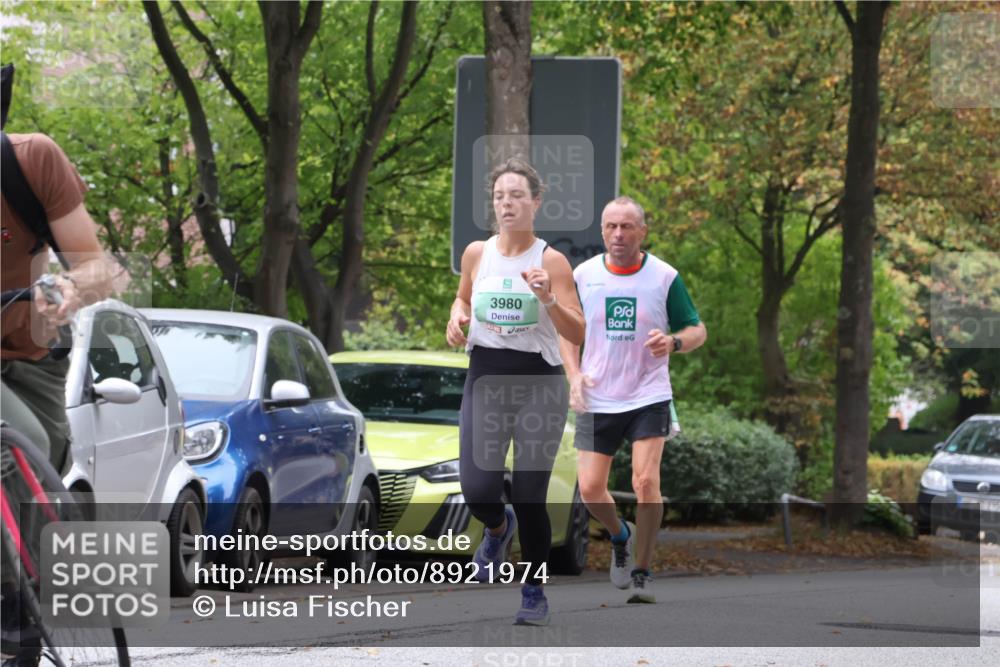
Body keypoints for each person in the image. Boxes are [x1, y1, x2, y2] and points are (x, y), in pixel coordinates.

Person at [446, 158, 584, 626]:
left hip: (538, 384)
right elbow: (464, 296)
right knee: (477, 488)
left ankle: (534, 588)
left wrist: (547, 298)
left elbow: (579, 331)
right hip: (486, 375)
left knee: (530, 494)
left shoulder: (551, 261)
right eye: (500, 196)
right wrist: (456, 315)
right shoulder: (476, 253)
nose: (507, 203)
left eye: (517, 196)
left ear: (536, 202)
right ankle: (498, 530)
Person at [560, 196, 706, 604]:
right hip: (596, 394)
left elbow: (697, 329)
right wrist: (573, 376)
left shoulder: (664, 277)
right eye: (611, 227)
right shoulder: (584, 275)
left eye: (627, 227)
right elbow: (568, 332)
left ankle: (642, 571)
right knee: (590, 489)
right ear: (603, 231)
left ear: (642, 231)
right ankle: (620, 535)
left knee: (645, 481)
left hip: (648, 394)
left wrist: (674, 341)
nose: (618, 234)